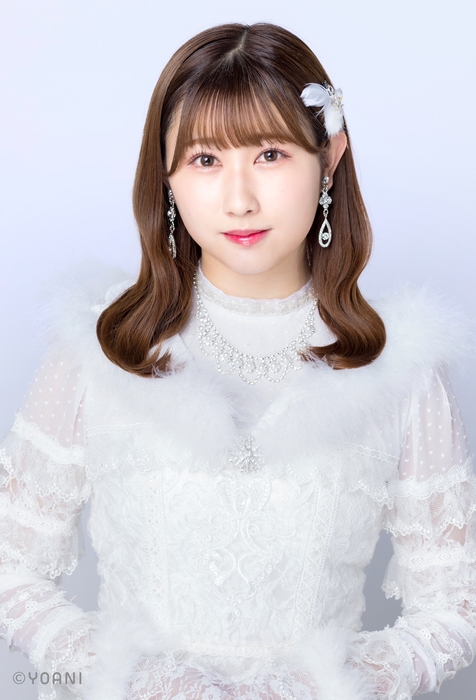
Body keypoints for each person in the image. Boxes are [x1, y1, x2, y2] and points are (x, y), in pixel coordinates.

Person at [0, 21, 475, 700]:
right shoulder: (103, 347)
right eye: (205, 160)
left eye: (271, 154)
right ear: (166, 176)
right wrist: (136, 676)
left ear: (330, 158)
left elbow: (455, 603)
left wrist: (323, 683)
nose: (239, 199)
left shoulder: (399, 366)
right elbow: (10, 568)